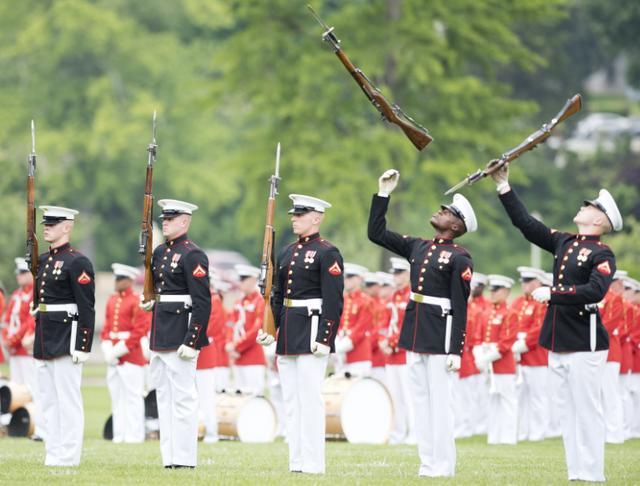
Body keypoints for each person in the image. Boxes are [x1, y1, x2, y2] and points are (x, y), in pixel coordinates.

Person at [492, 165, 621, 482]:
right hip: (559, 339)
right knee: (566, 410)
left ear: (598, 220)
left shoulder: (602, 253)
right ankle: (576, 471)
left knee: (588, 409)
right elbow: (526, 225)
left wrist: (554, 292)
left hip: (584, 340)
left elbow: (595, 290)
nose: (583, 205)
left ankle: (592, 473)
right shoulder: (566, 243)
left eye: (590, 205)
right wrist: (504, 186)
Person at [368, 169, 476, 477]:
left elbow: (460, 306)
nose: (439, 211)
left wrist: (456, 349)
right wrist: (383, 194)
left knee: (440, 404)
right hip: (415, 329)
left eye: (447, 212)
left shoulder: (460, 258)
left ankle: (444, 465)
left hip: (441, 333)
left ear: (456, 225)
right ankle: (428, 463)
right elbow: (376, 233)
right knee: (420, 402)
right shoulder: (419, 246)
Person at [257, 194, 344, 475]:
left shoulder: (327, 252)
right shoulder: (286, 252)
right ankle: (296, 462)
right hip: (289, 331)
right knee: (291, 401)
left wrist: (325, 338)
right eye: (294, 214)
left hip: (312, 329)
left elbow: (334, 300)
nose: (294, 218)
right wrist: (271, 329)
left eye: (301, 214)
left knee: (310, 399)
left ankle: (314, 463)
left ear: (316, 218)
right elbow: (279, 295)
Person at [140, 199, 211, 469]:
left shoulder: (193, 255)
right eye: (164, 218)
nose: (165, 222)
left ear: (185, 221)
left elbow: (202, 302)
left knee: (183, 399)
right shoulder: (159, 253)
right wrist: (149, 300)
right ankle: (169, 458)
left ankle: (184, 458)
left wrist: (193, 340)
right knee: (163, 398)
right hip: (160, 334)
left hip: (181, 334)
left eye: (171, 218)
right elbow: (159, 290)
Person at [32, 206, 95, 466]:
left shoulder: (77, 261)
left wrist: (83, 344)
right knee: (47, 400)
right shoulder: (44, 259)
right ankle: (53, 453)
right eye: (46, 222)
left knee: (67, 400)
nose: (47, 226)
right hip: (45, 334)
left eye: (54, 223)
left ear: (67, 227)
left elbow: (86, 307)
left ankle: (68, 456)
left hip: (67, 335)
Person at [101, 263, 150, 443]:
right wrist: (107, 347)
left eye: (120, 279)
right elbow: (106, 328)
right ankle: (119, 434)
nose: (117, 282)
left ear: (129, 281)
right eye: (116, 278)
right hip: (113, 353)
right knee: (117, 397)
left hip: (131, 355)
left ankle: (134, 435)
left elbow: (139, 330)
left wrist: (119, 350)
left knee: (133, 397)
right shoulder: (112, 300)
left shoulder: (137, 300)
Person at [2, 257, 44, 439]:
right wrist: (6, 339)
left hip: (25, 350)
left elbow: (30, 321)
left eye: (23, 273)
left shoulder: (34, 293)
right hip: (14, 349)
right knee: (16, 390)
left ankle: (36, 426)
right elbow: (7, 319)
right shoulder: (17, 295)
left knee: (32, 388)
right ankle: (18, 423)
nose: (19, 277)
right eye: (18, 273)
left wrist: (13, 339)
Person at [474, 275, 518, 445]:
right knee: (491, 402)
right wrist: (479, 356)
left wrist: (486, 357)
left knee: (507, 401)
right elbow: (478, 337)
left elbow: (506, 342)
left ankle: (508, 438)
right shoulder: (486, 313)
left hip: (502, 364)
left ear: (506, 292)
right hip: (487, 362)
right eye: (491, 289)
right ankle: (494, 437)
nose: (492, 293)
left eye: (496, 289)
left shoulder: (510, 313)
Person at [510, 266, 549, 442]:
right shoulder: (518, 302)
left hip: (536, 356)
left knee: (538, 397)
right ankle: (524, 431)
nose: (524, 285)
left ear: (538, 283)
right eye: (523, 281)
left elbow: (540, 328)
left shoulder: (542, 302)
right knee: (522, 397)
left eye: (528, 281)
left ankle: (538, 432)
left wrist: (524, 342)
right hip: (520, 357)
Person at [380, 257, 415, 445]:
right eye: (395, 273)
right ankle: (399, 432)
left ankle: (414, 432)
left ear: (409, 274)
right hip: (391, 356)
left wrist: (391, 342)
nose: (396, 277)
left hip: (403, 353)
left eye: (400, 273)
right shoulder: (394, 296)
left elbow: (406, 325)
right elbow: (387, 324)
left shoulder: (411, 294)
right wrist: (384, 341)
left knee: (409, 396)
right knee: (396, 397)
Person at [454, 272, 489, 438]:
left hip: (471, 355)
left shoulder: (478, 310)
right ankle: (466, 424)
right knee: (462, 395)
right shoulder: (466, 309)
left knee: (473, 394)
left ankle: (472, 424)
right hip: (463, 356)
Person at [226, 264, 266, 394]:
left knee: (254, 396)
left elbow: (256, 330)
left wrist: (236, 346)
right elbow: (231, 324)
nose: (240, 283)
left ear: (253, 280)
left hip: (252, 357)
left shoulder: (260, 301)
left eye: (243, 279)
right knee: (240, 397)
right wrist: (229, 343)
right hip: (237, 357)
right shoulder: (239, 301)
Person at [598, 270, 626, 443]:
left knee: (610, 394)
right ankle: (603, 432)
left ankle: (615, 433)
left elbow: (608, 324)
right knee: (598, 394)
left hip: (610, 351)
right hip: (594, 350)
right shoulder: (596, 295)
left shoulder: (614, 298)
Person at [335, 263, 373, 377]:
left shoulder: (366, 301)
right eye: (345, 277)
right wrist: (337, 339)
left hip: (359, 355)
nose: (346, 280)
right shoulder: (342, 299)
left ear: (360, 279)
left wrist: (344, 344)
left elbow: (361, 329)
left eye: (350, 277)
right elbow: (338, 322)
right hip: (341, 354)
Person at [363, 272, 387, 383]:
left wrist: (366, 344)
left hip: (377, 355)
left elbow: (379, 330)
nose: (368, 288)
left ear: (378, 286)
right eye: (367, 285)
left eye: (371, 285)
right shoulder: (365, 303)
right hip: (364, 354)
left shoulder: (382, 305)